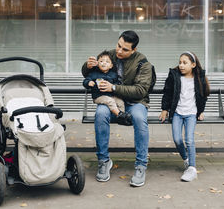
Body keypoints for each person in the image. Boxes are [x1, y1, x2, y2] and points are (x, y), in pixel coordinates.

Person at [81, 30, 152, 187]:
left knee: (140, 118)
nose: (119, 51)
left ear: (134, 50)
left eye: (125, 49)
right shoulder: (109, 55)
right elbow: (89, 74)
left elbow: (141, 90)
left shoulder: (143, 64)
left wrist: (113, 87)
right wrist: (87, 66)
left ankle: (141, 165)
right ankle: (103, 161)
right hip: (111, 101)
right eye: (118, 45)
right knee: (100, 114)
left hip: (135, 102)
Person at [159, 51, 210, 182]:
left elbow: (203, 96)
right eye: (180, 62)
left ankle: (192, 168)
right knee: (177, 139)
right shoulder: (174, 76)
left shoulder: (199, 78)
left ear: (193, 65)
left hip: (191, 114)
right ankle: (186, 159)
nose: (181, 65)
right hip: (177, 112)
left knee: (189, 139)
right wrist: (165, 109)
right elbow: (167, 93)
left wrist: (201, 111)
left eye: (185, 63)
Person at [82, 50, 132, 124]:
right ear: (97, 63)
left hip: (111, 95)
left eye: (107, 62)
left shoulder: (113, 74)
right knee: (110, 101)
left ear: (111, 65)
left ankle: (122, 117)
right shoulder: (94, 73)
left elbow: (116, 83)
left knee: (120, 101)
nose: (104, 63)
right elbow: (85, 81)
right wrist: (89, 82)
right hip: (99, 96)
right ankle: (119, 114)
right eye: (101, 61)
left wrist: (113, 86)